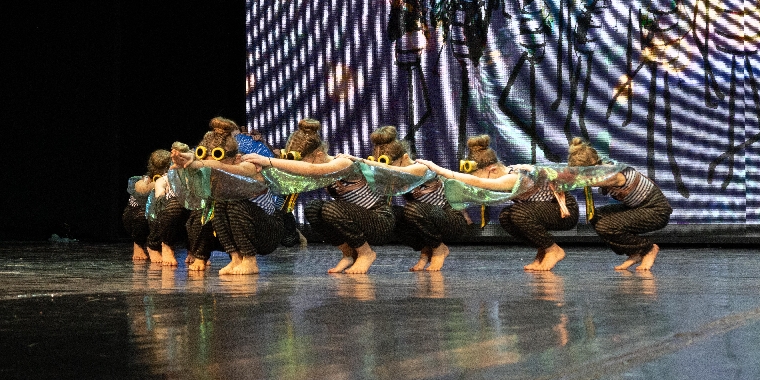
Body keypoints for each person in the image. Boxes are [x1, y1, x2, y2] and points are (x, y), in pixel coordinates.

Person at [243, 118, 394, 274]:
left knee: (330, 209)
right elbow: (287, 175)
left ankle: (366, 253)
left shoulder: (343, 163)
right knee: (313, 209)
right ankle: (348, 254)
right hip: (357, 221)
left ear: (319, 154)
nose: (301, 166)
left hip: (379, 220)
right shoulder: (320, 166)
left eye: (304, 161)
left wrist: (268, 160)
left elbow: (310, 169)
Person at [417, 135, 579, 272]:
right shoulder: (507, 173)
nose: (479, 182)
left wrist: (438, 169)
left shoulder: (512, 177)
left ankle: (553, 250)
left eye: (479, 175)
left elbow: (478, 182)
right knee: (506, 217)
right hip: (544, 210)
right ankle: (543, 250)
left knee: (518, 213)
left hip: (564, 210)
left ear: (492, 169)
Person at [340, 126, 467, 271]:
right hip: (427, 219)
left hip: (451, 219)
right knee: (391, 215)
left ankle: (439, 250)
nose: (385, 170)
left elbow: (396, 171)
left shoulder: (421, 167)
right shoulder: (393, 175)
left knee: (412, 209)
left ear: (405, 157)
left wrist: (360, 160)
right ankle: (425, 252)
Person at [172, 125, 288, 275]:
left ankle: (250, 260)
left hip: (268, 231)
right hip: (242, 230)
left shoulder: (249, 165)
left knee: (234, 202)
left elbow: (219, 166)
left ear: (236, 158)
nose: (211, 170)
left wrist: (196, 163)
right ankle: (236, 258)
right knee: (214, 204)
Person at [567, 137, 671, 271]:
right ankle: (635, 252)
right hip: (637, 207)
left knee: (605, 226)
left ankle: (648, 249)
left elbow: (584, 181)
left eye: (583, 171)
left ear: (592, 166)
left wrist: (558, 177)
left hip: (656, 211)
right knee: (596, 216)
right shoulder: (601, 166)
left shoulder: (612, 174)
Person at [122, 149, 171, 261]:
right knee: (141, 213)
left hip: (159, 220)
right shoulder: (146, 178)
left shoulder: (174, 178)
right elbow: (141, 188)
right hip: (138, 218)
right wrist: (158, 184)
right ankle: (138, 245)